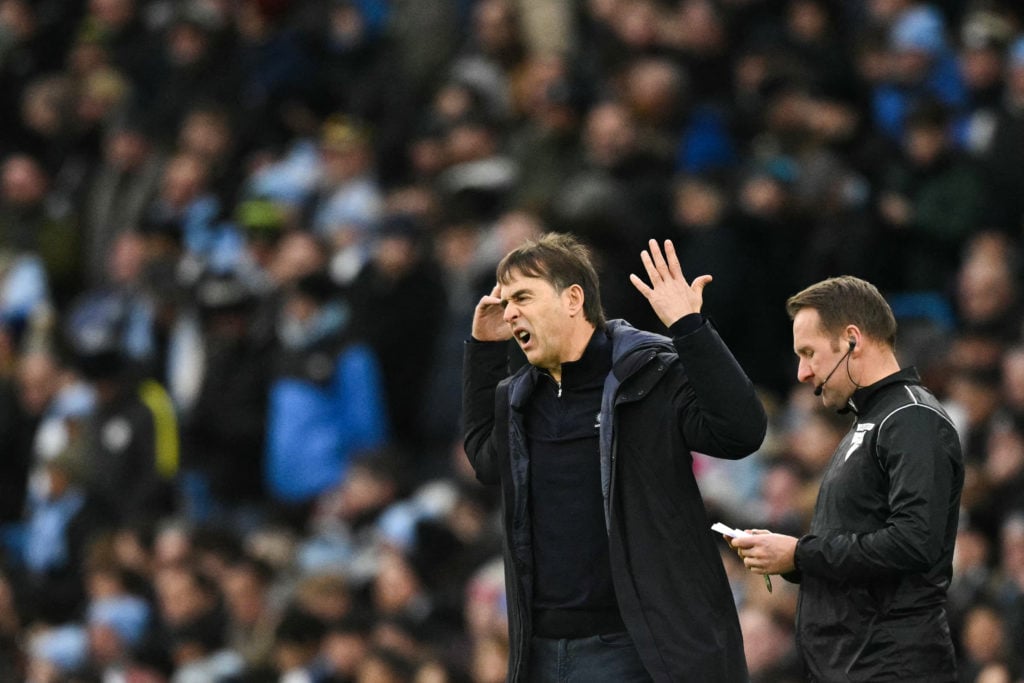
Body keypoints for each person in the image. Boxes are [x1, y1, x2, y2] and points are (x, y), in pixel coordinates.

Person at [463, 233, 767, 682]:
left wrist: (688, 327)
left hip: (635, 648)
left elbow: (741, 432)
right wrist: (485, 351)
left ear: (573, 299)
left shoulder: (649, 373)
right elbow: (484, 460)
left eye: (523, 296)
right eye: (505, 302)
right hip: (540, 651)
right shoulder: (520, 397)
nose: (509, 312)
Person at [729, 275, 964, 682]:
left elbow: (914, 542)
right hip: (856, 665)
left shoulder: (912, 419)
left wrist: (800, 554)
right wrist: (791, 559)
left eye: (809, 353)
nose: (803, 372)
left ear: (852, 340)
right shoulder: (871, 421)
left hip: (891, 667)